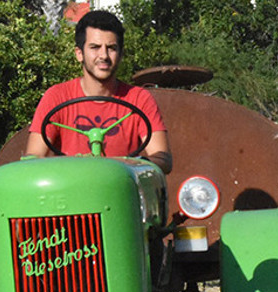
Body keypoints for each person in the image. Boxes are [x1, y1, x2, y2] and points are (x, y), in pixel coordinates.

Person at [25, 10, 172, 174]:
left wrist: (127, 165)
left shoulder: (139, 99)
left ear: (121, 54)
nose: (104, 55)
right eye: (95, 47)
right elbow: (34, 158)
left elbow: (163, 158)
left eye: (111, 48)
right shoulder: (57, 97)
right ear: (79, 54)